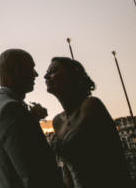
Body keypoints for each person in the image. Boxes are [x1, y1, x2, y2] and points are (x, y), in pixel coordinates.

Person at [45, 57, 130, 187]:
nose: (46, 76)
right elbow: (66, 171)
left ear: (71, 76)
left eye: (53, 71)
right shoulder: (57, 121)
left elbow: (115, 158)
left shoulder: (92, 106)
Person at [0, 49, 63, 188]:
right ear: (17, 71)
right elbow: (37, 176)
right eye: (31, 68)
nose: (36, 74)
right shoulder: (10, 109)